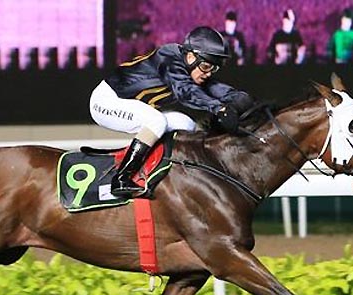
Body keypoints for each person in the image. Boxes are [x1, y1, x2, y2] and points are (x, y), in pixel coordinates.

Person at [89, 26, 253, 198]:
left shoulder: (193, 69)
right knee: (156, 121)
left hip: (128, 103)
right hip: (106, 101)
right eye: (206, 66)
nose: (208, 73)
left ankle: (168, 173)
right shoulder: (168, 57)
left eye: (213, 69)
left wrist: (243, 100)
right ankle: (121, 179)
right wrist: (219, 109)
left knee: (186, 124)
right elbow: (186, 91)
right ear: (190, 57)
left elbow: (218, 89)